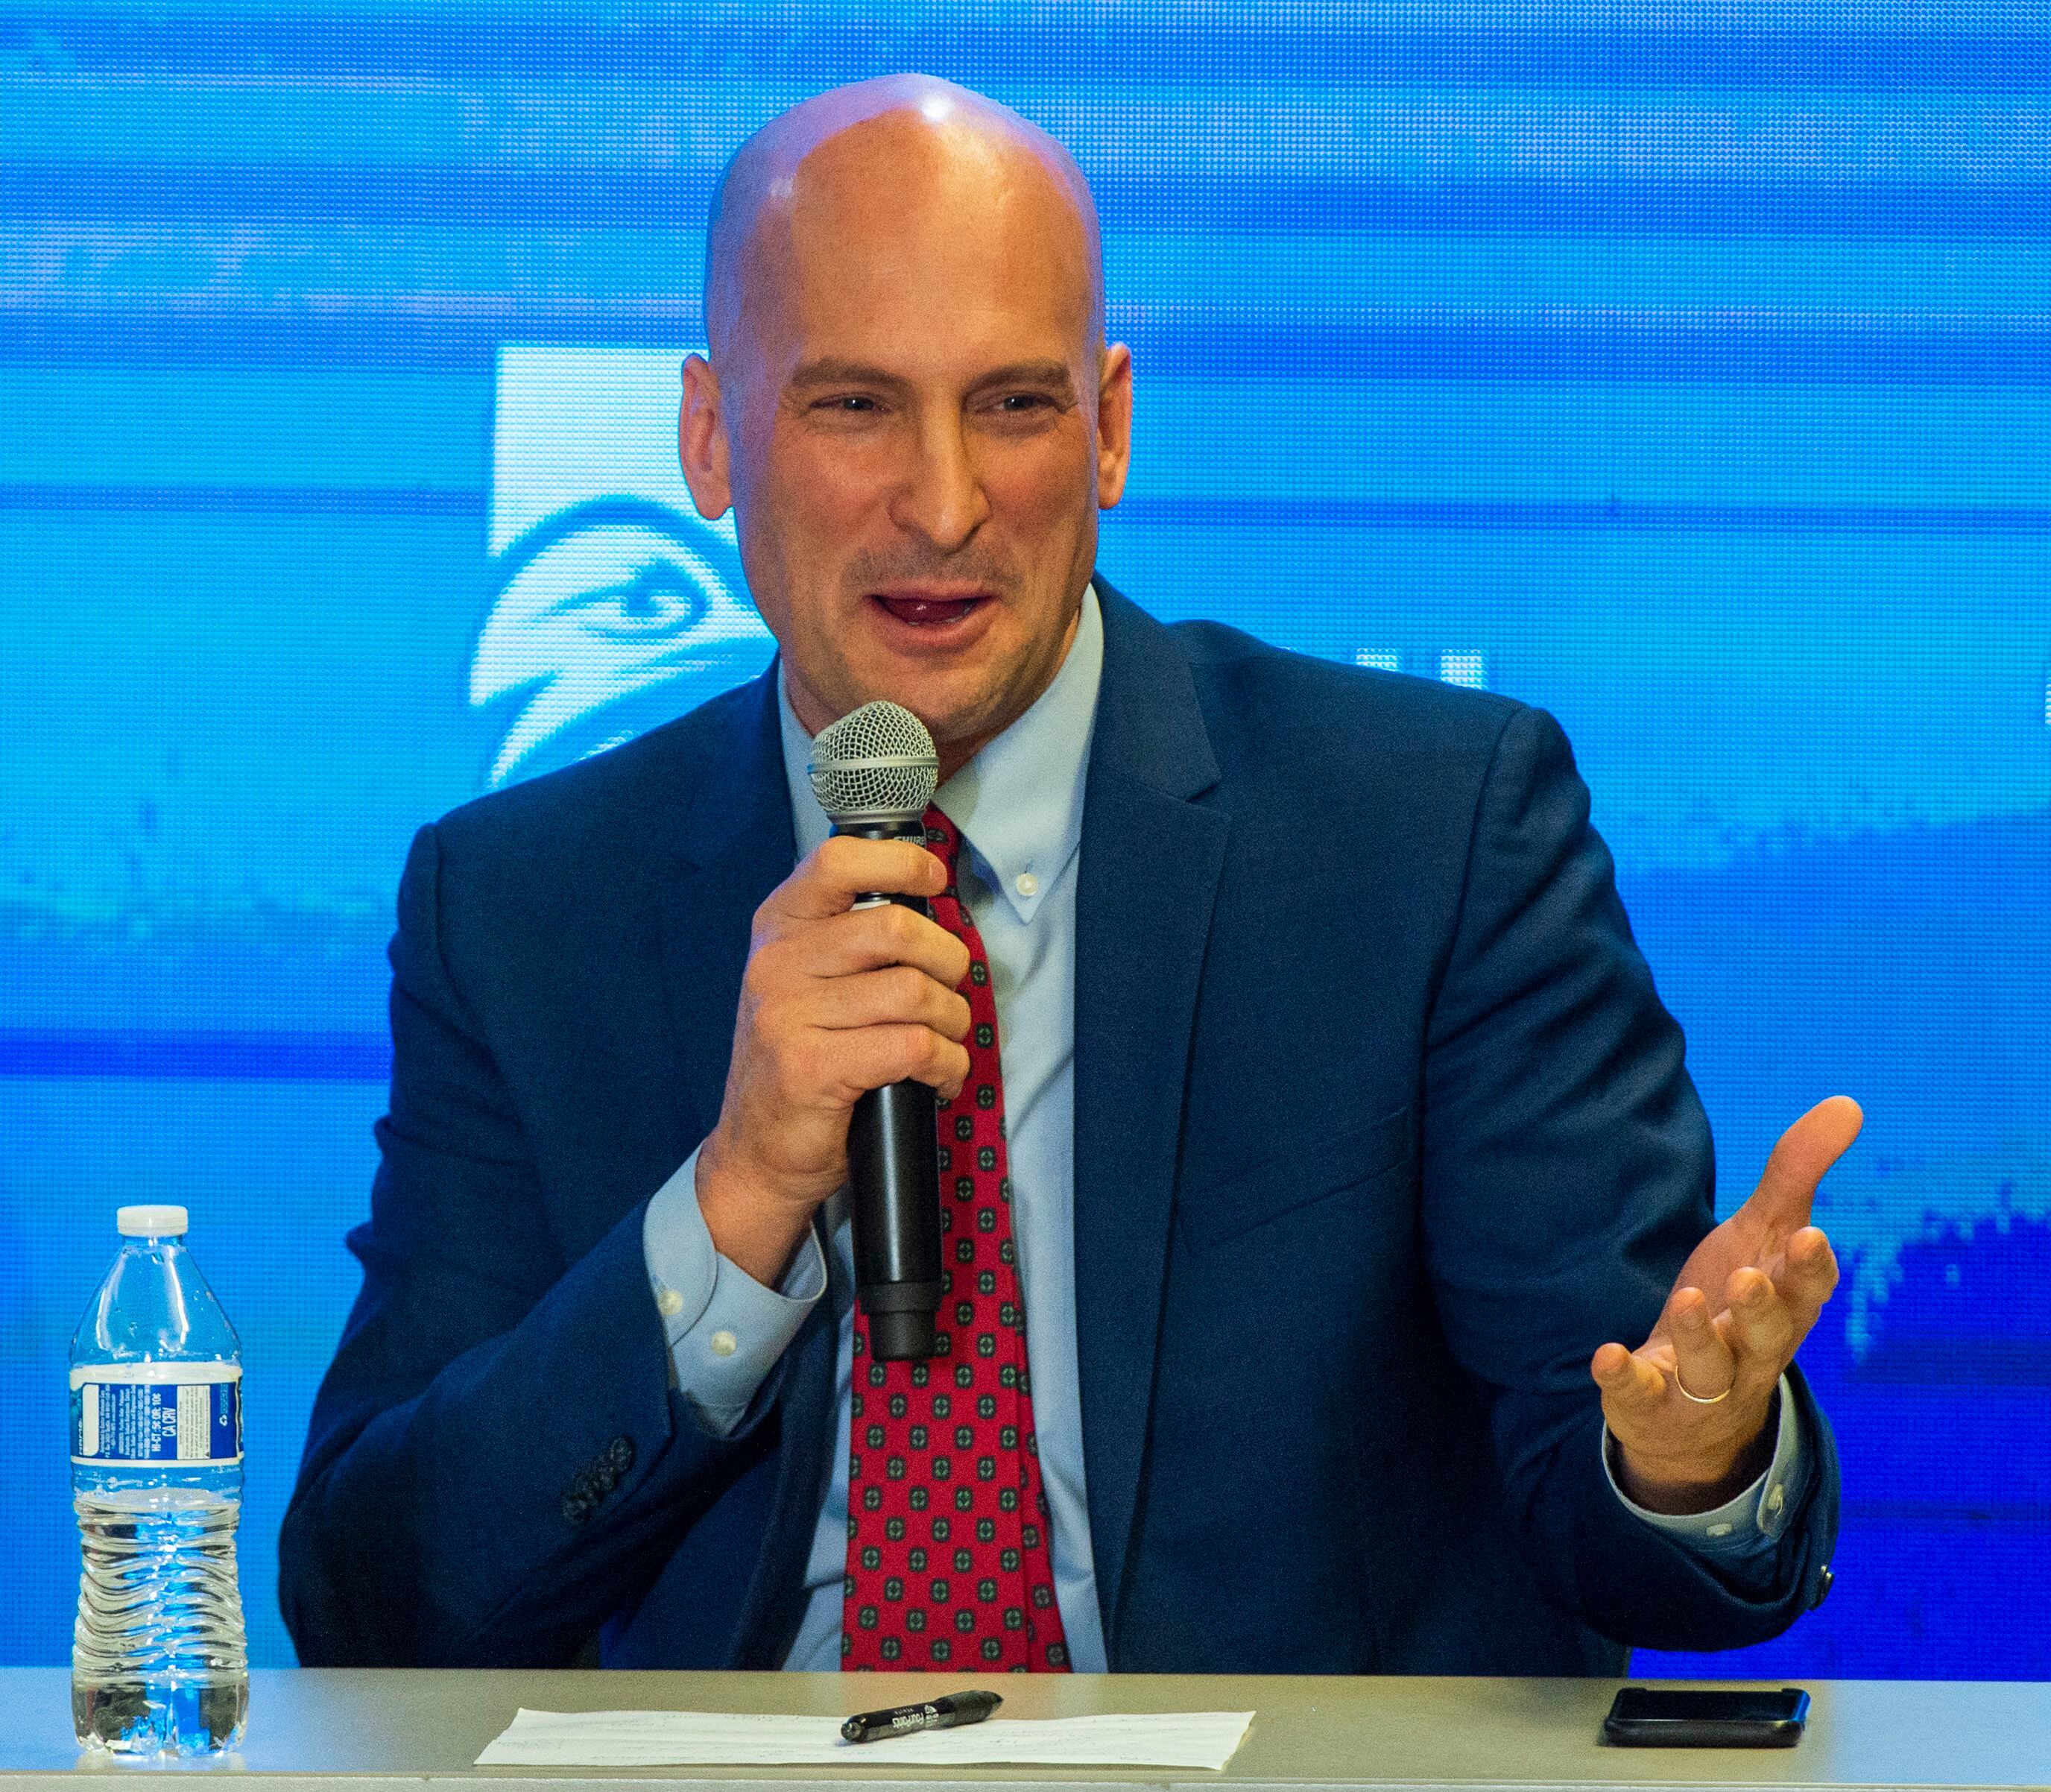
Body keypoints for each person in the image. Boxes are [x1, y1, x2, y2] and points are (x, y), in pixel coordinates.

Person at [281, 75, 1858, 1675]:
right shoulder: (522, 905)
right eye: (853, 406)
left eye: (1014, 407)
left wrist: (1688, 1460)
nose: (945, 503)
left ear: (1106, 427)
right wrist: (736, 1198)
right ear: (708, 436)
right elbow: (376, 1599)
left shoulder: (1431, 834)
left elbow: (1619, 1496)